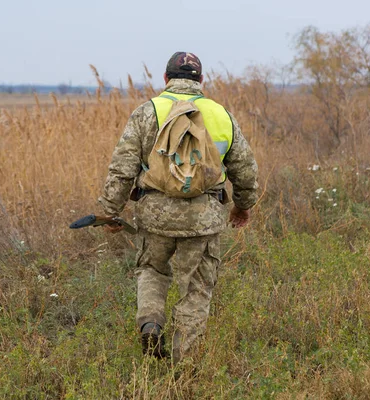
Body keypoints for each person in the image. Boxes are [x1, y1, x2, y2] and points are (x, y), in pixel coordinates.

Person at [98, 51, 259, 364]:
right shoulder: (220, 114)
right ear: (201, 80)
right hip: (204, 218)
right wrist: (243, 205)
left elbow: (121, 168)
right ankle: (184, 366)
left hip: (155, 215)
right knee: (197, 288)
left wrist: (109, 211)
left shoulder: (147, 112)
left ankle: (150, 322)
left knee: (152, 270)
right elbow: (246, 169)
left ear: (166, 78)